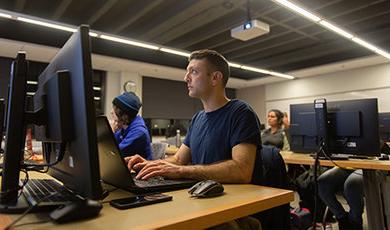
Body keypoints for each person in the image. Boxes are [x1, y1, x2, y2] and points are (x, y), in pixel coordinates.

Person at [126, 49, 264, 228]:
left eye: (194, 71)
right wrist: (151, 165)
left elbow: (242, 170)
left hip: (231, 207)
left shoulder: (240, 112)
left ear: (215, 78)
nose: (186, 78)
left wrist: (182, 171)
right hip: (201, 199)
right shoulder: (198, 118)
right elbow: (178, 159)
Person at [110, 92, 152, 160]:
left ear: (124, 115)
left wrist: (111, 132)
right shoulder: (125, 127)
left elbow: (113, 155)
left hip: (140, 170)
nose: (111, 112)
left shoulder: (139, 132)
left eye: (115, 110)